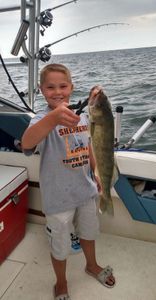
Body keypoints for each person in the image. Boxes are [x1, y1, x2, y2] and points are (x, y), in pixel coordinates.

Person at [21, 64, 115, 300]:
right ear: (42, 90)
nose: (58, 91)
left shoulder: (83, 115)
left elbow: (89, 147)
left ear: (71, 87)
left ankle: (91, 265)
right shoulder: (42, 120)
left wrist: (97, 173)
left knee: (88, 233)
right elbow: (27, 143)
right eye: (50, 87)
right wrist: (53, 118)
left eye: (63, 86)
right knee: (60, 245)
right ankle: (61, 282)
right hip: (58, 199)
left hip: (86, 191)